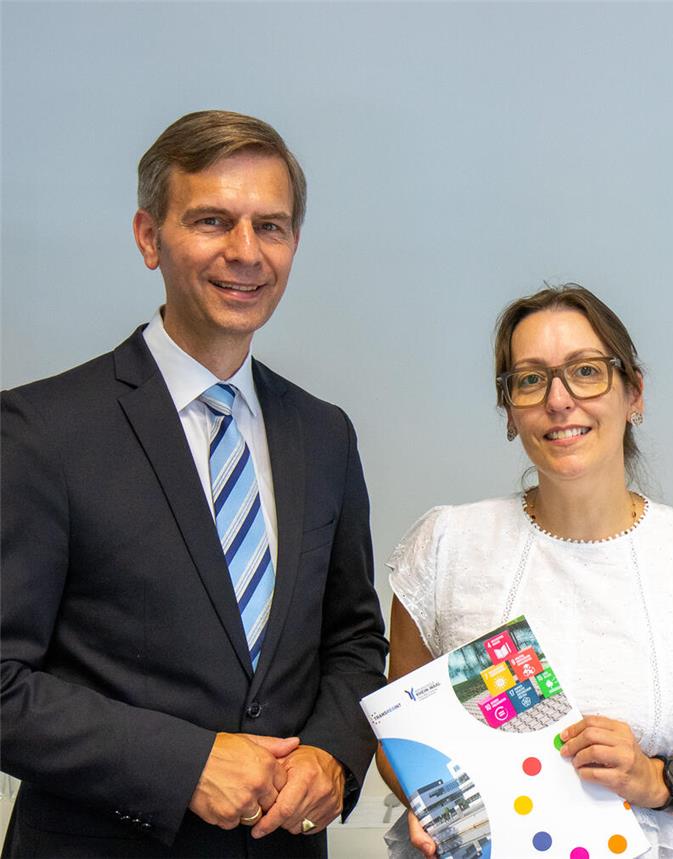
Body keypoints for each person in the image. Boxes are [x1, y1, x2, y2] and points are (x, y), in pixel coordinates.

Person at [0, 110, 388, 857]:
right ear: (149, 237)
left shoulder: (325, 434)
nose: (245, 252)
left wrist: (330, 755)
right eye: (213, 221)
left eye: (270, 227)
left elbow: (351, 640)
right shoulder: (40, 430)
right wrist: (185, 765)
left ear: (294, 245)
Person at [377, 283, 673, 858]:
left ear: (634, 393)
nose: (559, 400)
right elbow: (403, 735)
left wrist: (653, 779)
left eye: (587, 371)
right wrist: (442, 807)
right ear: (509, 411)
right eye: (530, 379)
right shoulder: (447, 548)